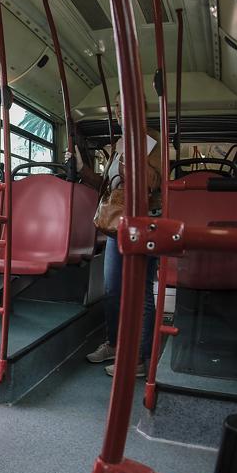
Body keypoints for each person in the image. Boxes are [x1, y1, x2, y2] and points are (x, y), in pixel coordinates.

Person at [74, 132, 161, 378]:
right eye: (116, 107)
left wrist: (128, 157)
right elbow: (109, 185)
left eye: (123, 106)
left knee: (141, 291)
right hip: (117, 222)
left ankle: (140, 358)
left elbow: (149, 182)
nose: (120, 113)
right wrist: (82, 168)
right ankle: (114, 344)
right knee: (112, 289)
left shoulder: (151, 142)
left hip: (144, 222)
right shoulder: (121, 144)